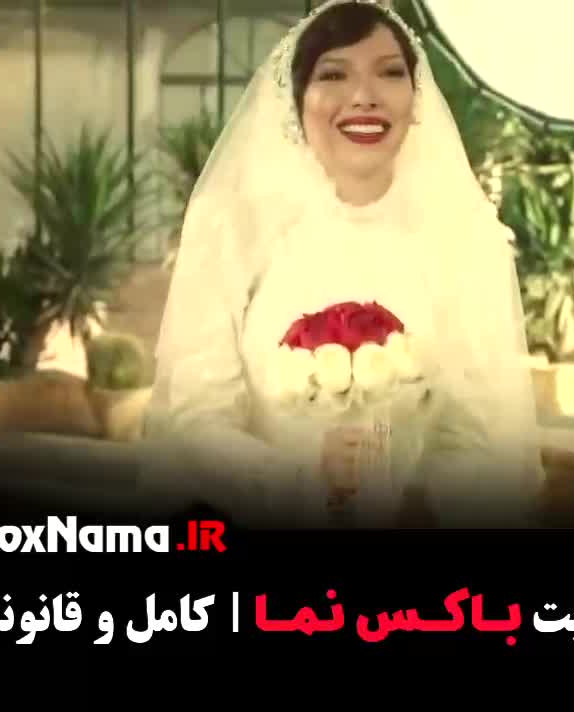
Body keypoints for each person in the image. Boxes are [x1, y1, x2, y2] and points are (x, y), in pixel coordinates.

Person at [139, 0, 546, 529]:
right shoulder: (231, 226)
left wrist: (411, 505)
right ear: (295, 97)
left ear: (416, 98)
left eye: (390, 73)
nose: (363, 96)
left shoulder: (465, 237)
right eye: (333, 74)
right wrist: (303, 481)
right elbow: (197, 419)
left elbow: (485, 432)